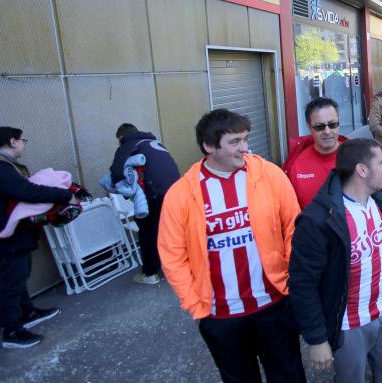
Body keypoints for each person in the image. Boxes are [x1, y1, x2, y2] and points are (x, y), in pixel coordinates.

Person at [158, 109, 306, 383]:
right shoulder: (181, 195)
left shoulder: (269, 175)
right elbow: (172, 255)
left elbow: (294, 228)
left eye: (245, 139)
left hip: (273, 306)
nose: (245, 148)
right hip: (221, 316)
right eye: (235, 142)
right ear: (209, 146)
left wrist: (291, 281)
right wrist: (194, 304)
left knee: (289, 376)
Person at [289, 138, 382, 383]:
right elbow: (302, 284)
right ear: (362, 170)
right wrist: (317, 338)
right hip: (349, 325)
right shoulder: (317, 220)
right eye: (381, 162)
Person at [0, 127, 80, 348]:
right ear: (12, 141)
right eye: (22, 140)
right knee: (11, 281)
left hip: (0, 234)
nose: (24, 144)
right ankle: (12, 331)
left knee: (17, 275)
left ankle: (27, 313)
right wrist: (65, 195)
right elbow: (27, 191)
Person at [110, 123, 180, 285]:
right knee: (173, 229)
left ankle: (150, 273)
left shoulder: (127, 144)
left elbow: (116, 173)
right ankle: (178, 266)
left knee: (147, 230)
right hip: (176, 190)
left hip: (155, 192)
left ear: (121, 137)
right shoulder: (153, 143)